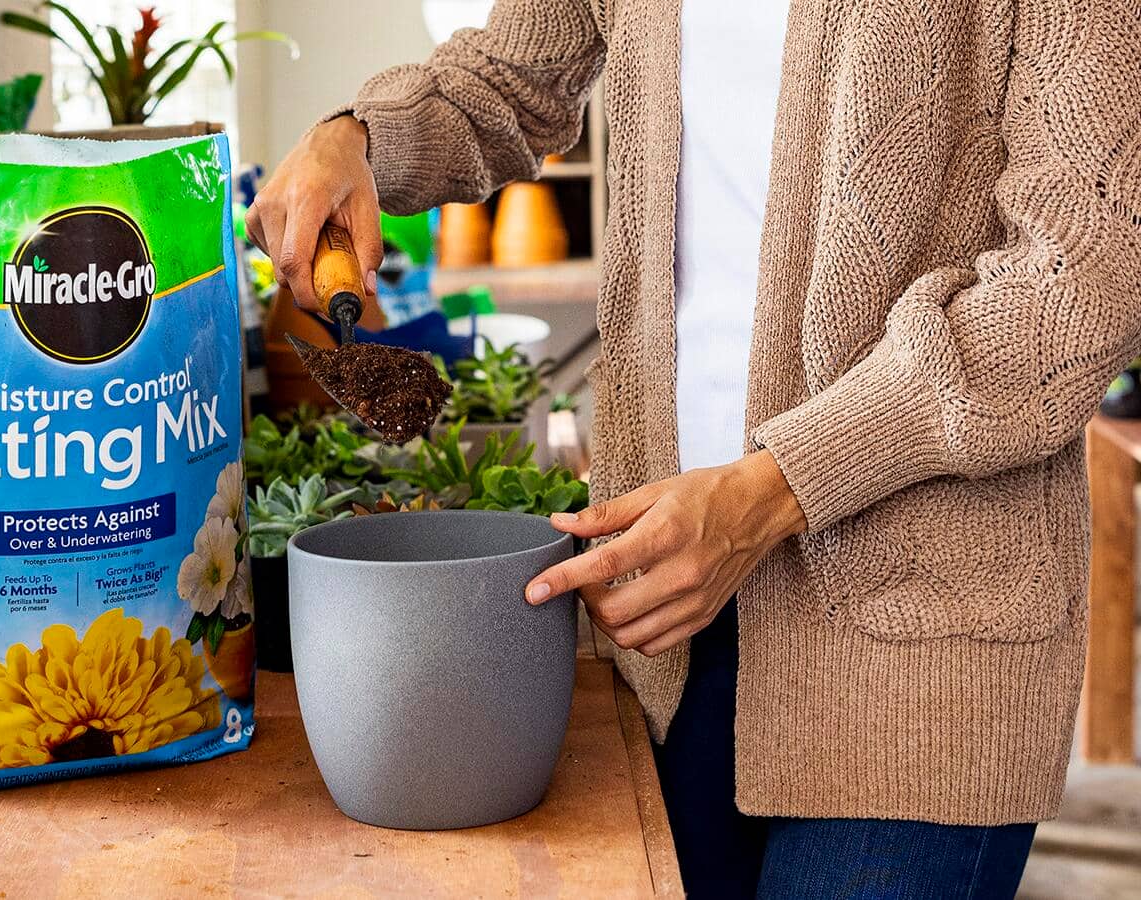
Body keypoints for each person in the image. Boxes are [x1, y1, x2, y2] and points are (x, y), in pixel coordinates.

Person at [246, 1, 1140, 896]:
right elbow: (509, 81)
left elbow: (1079, 286)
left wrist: (776, 487)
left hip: (924, 639)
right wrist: (356, 138)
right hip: (667, 623)